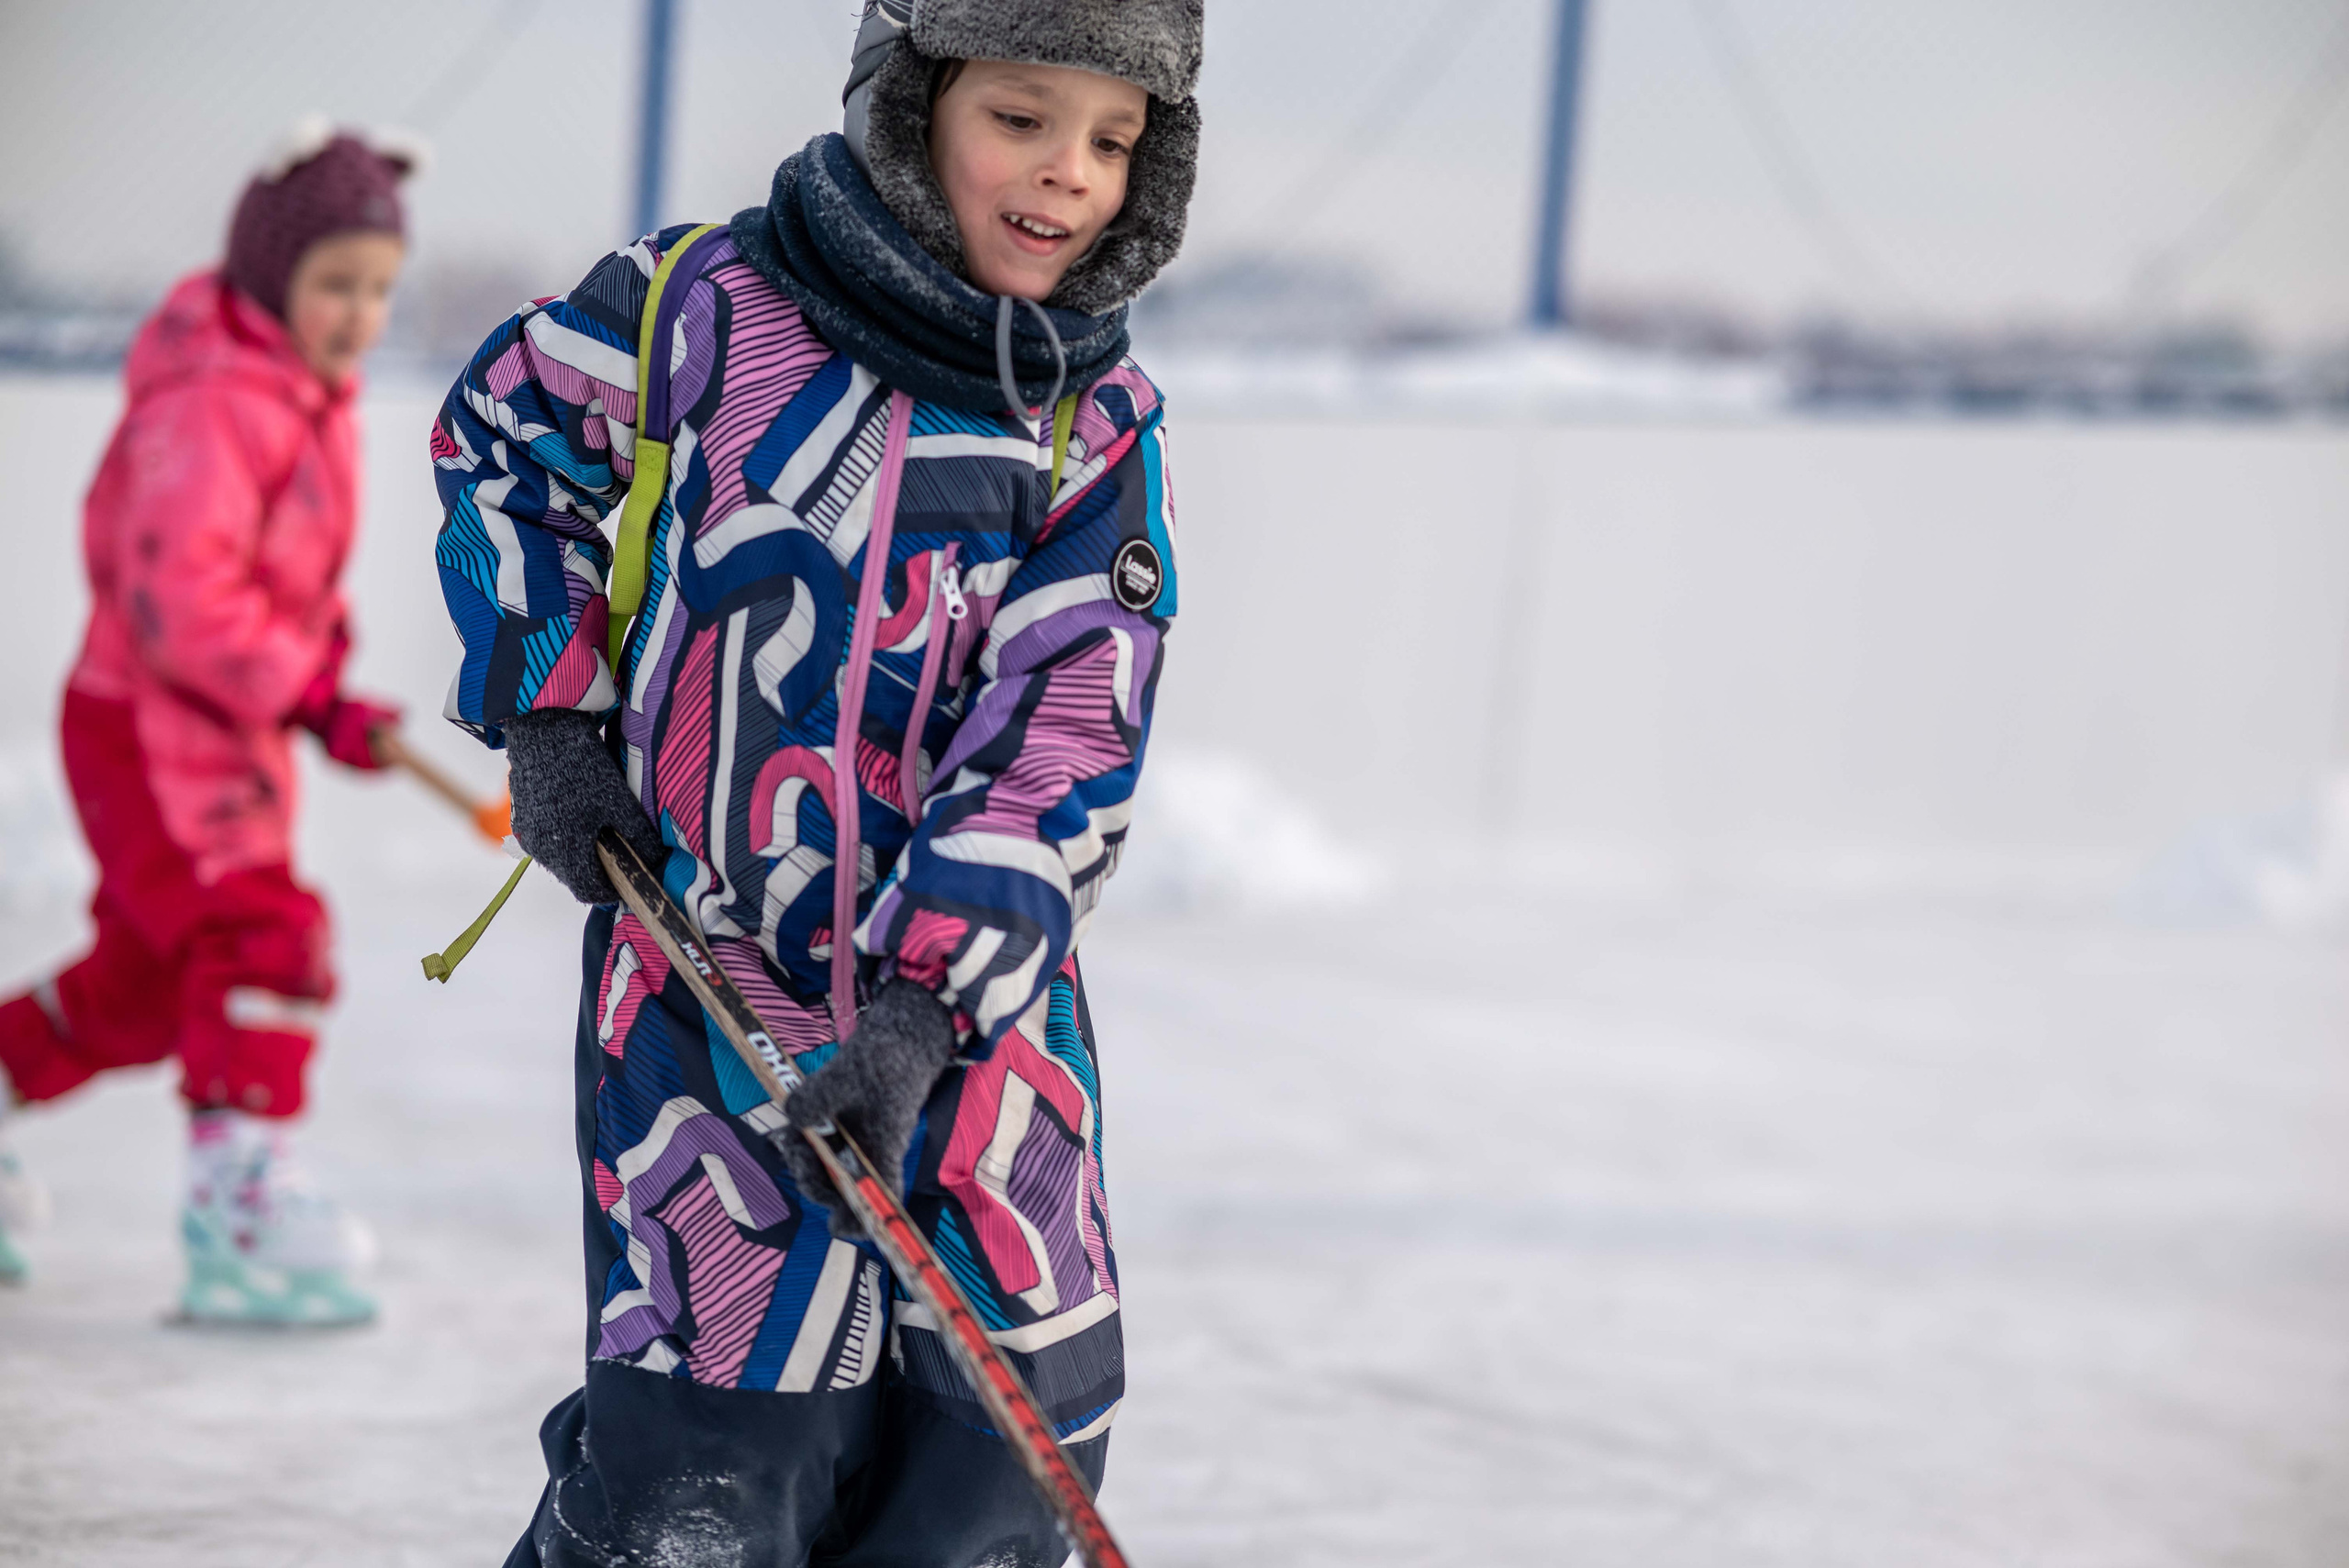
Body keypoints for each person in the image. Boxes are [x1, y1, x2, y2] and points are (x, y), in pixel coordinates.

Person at [429, 0, 1199, 1560]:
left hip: (980, 1043)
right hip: (707, 993)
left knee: (994, 1464)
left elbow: (1064, 729)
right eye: (1022, 118)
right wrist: (554, 710)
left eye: (1115, 142)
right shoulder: (698, 310)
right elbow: (507, 440)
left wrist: (928, 1007)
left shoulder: (1091, 428)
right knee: (710, 1467)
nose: (1068, 178)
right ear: (911, 101)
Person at [0, 125, 413, 1324]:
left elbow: (280, 581)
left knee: (142, 984)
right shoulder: (220, 399)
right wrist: (306, 687)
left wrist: (319, 668)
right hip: (148, 727)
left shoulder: (300, 393)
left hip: (213, 735)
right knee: (261, 931)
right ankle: (239, 1204)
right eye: (334, 283)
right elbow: (180, 597)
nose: (358, 313)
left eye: (379, 288)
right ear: (270, 276)